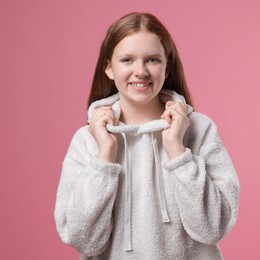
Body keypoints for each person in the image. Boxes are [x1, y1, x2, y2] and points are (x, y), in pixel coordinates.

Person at [54, 12, 240, 260]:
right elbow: (83, 240)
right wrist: (105, 158)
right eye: (127, 60)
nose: (140, 71)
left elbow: (212, 228)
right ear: (109, 68)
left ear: (166, 67)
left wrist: (178, 152)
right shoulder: (87, 139)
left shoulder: (200, 129)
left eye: (152, 60)